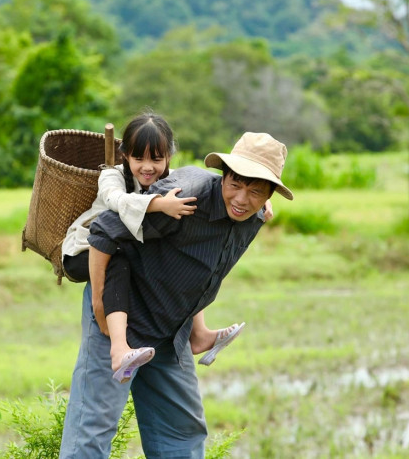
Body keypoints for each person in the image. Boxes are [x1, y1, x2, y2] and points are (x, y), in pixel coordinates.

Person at [59, 131, 293, 458]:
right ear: (223, 175)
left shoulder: (254, 215)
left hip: (171, 328)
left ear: (270, 193)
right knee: (93, 429)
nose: (242, 199)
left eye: (256, 191)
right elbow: (103, 232)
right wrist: (99, 304)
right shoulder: (186, 198)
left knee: (182, 433)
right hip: (120, 314)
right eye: (236, 185)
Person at [61, 112, 248, 383]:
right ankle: (118, 349)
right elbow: (115, 201)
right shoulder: (112, 176)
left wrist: (253, 194)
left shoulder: (172, 179)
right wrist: (158, 204)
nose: (147, 167)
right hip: (86, 249)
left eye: (156, 159)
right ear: (125, 155)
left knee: (181, 253)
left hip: (125, 246)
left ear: (169, 156)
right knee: (119, 259)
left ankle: (200, 334)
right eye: (139, 159)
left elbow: (209, 183)